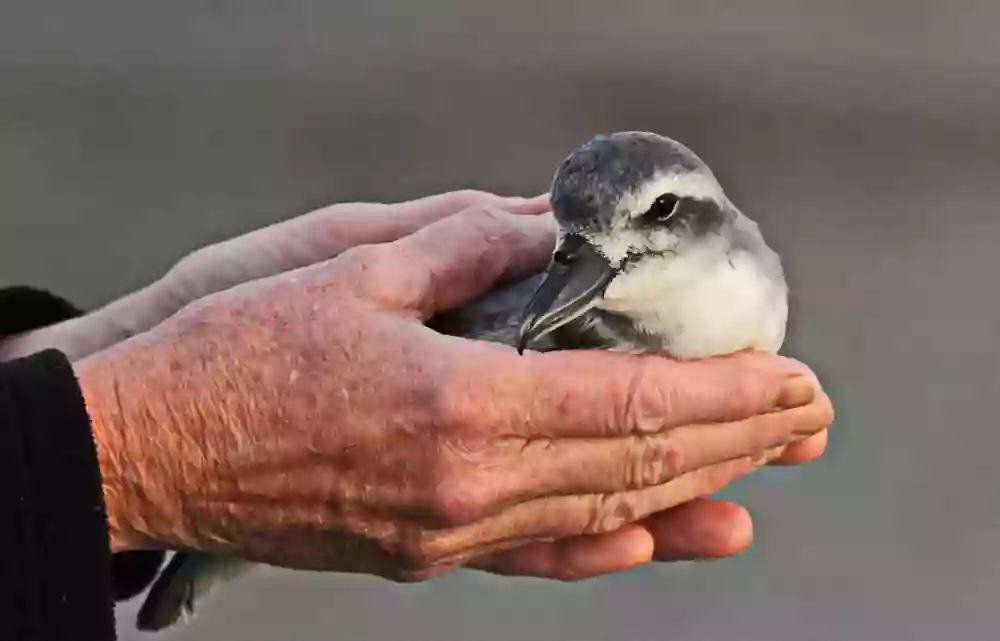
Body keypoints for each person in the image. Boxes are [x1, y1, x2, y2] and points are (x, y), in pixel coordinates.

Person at [0, 190, 833, 640]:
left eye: (652, 216)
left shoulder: (748, 287)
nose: (576, 273)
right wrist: (126, 460)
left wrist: (96, 365)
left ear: (710, 218)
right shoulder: (563, 307)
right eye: (576, 243)